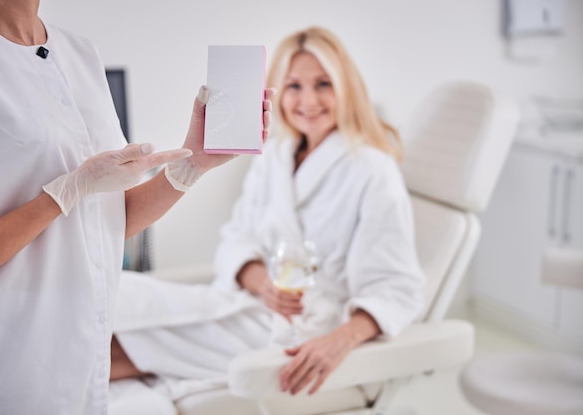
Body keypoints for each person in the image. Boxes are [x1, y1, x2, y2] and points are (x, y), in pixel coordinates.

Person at [0, 0, 275, 414]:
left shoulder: (81, 54)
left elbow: (102, 225)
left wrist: (192, 163)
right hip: (9, 371)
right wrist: (64, 194)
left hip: (87, 363)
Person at [110, 25, 425, 402]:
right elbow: (237, 236)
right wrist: (261, 283)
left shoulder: (373, 169)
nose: (308, 100)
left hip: (305, 330)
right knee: (114, 291)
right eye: (293, 86)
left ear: (346, 88)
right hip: (252, 302)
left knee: (109, 342)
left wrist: (337, 343)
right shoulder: (274, 157)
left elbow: (396, 287)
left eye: (323, 84)